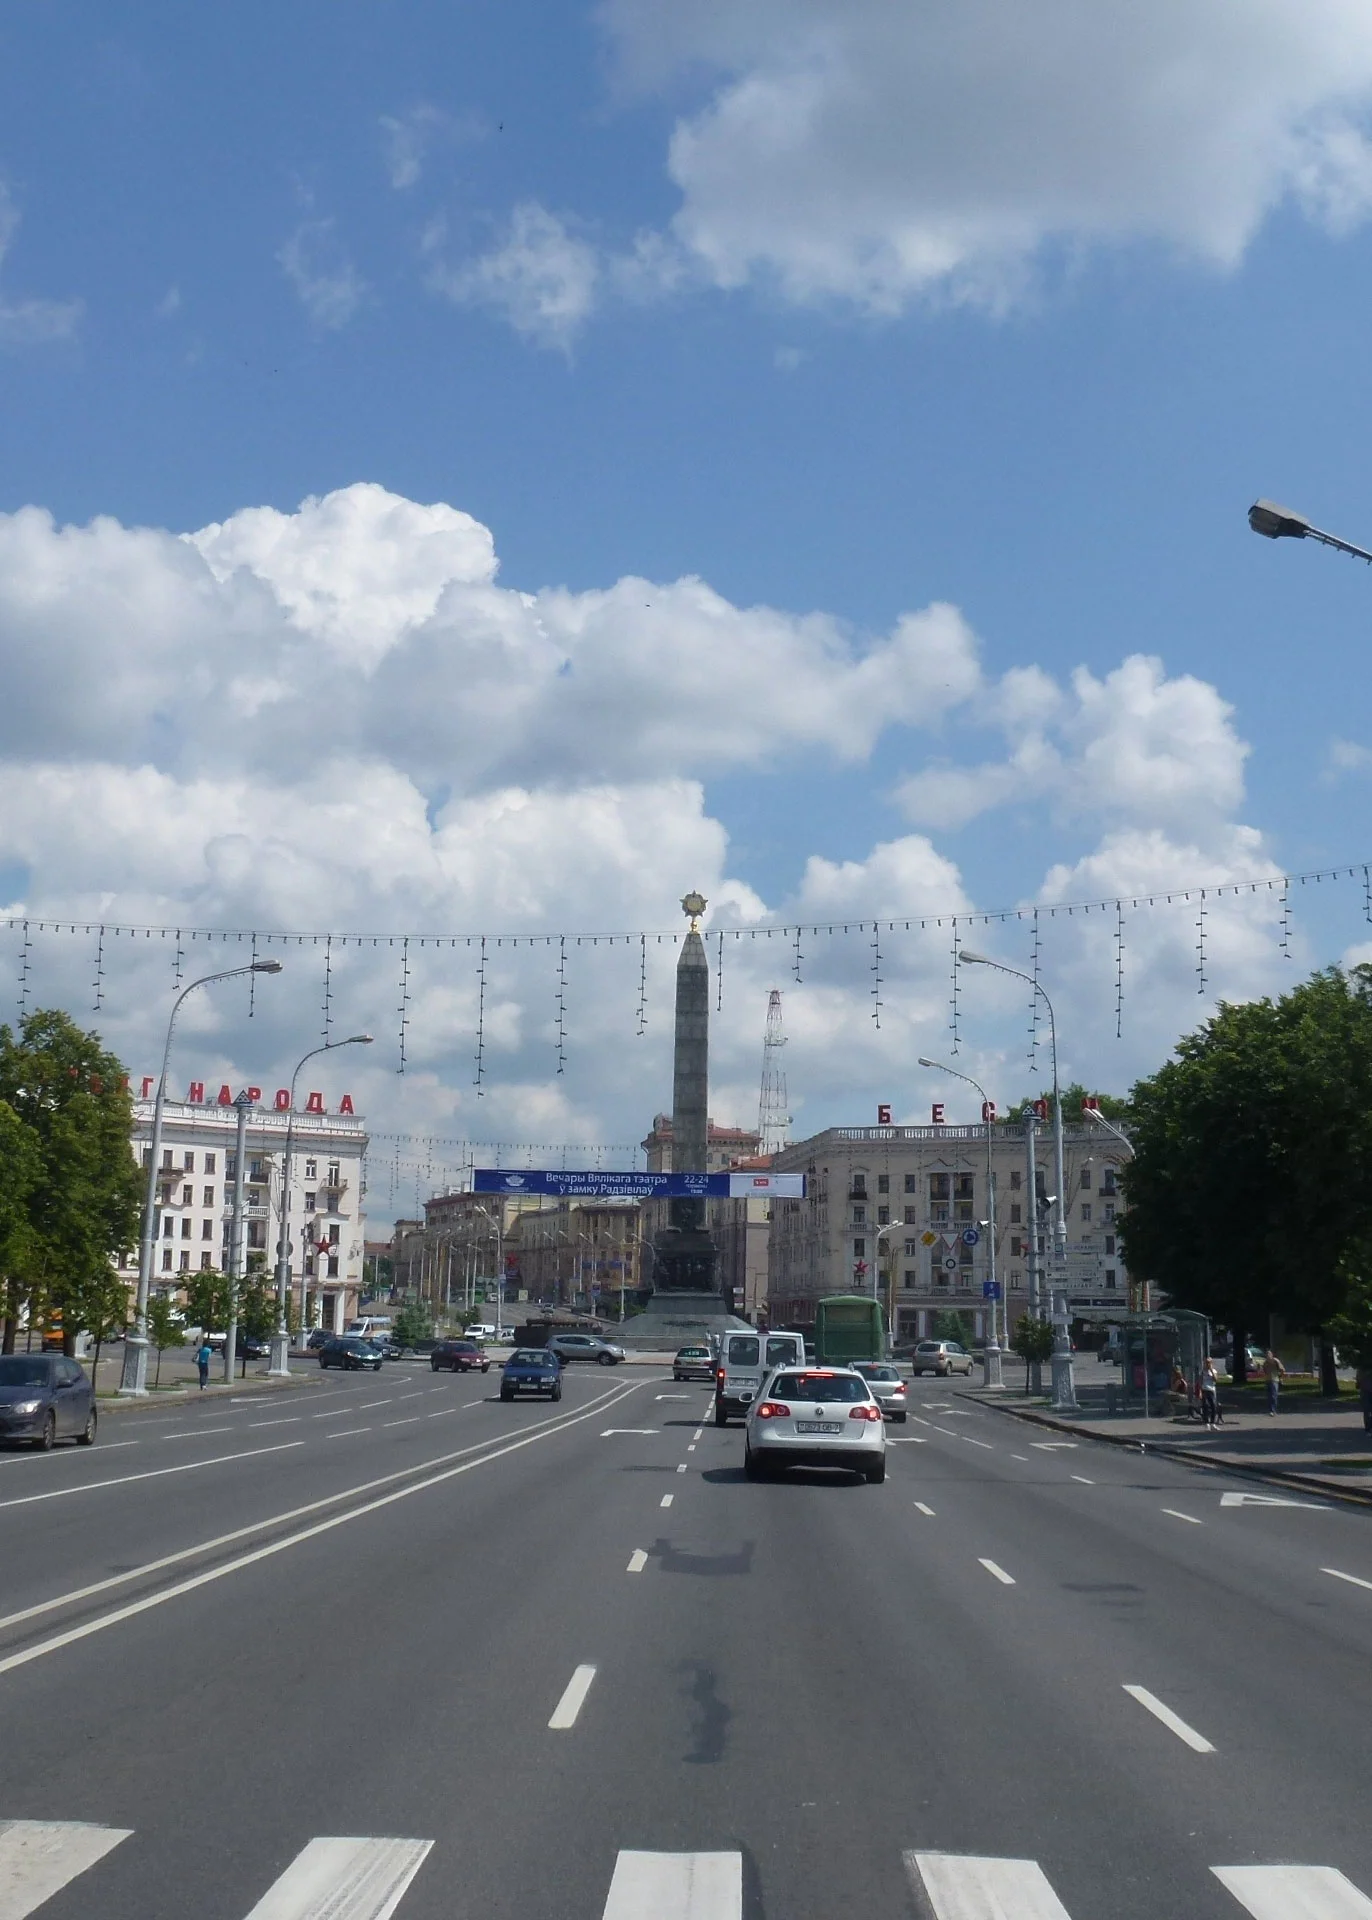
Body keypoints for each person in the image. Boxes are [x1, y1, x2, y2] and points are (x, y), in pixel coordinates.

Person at [1263, 1348, 1286, 1416]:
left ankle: (1273, 1410)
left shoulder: (1276, 1361)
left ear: (1272, 1354)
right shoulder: (1265, 1362)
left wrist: (1281, 1377)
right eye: (1267, 1354)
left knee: (1273, 1396)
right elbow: (1265, 1371)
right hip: (1268, 1380)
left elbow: (1282, 1369)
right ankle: (1271, 1410)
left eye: (1269, 1354)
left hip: (1274, 1380)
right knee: (1269, 1396)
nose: (1268, 1355)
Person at [1199, 1359, 1221, 1429]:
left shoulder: (1214, 1371)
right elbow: (1200, 1382)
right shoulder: (1203, 1372)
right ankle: (1206, 1423)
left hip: (1211, 1390)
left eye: (1209, 1363)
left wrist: (1211, 1370)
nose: (1207, 1364)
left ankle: (1212, 1423)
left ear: (1211, 1363)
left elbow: (1216, 1379)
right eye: (1206, 1363)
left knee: (1213, 1406)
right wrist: (1200, 1391)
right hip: (1204, 1389)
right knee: (1205, 1406)